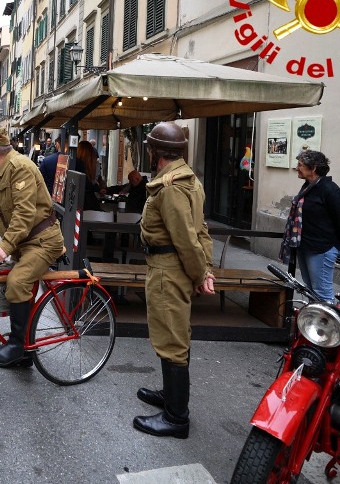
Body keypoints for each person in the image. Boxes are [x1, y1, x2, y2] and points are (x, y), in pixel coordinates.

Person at [133, 122, 215, 440]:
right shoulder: (187, 179)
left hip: (168, 269)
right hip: (176, 267)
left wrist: (200, 273)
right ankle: (170, 396)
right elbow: (201, 230)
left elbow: (186, 239)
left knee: (171, 340)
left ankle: (176, 417)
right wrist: (203, 270)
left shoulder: (170, 187)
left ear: (155, 153)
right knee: (176, 334)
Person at [0, 127, 64, 368]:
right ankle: (25, 351)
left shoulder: (21, 168)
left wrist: (5, 246)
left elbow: (24, 213)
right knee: (15, 283)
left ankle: (18, 345)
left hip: (43, 241)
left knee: (17, 281)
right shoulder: (0, 171)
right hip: (25, 242)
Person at [283, 149, 340, 303]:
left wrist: (338, 247)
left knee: (322, 294)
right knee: (310, 291)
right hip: (306, 246)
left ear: (313, 168)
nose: (297, 168)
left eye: (300, 165)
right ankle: (315, 325)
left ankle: (333, 325)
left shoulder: (329, 190)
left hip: (321, 249)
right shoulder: (308, 187)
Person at [75, 139, 106, 210]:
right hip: (90, 199)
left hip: (78, 199)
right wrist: (98, 188)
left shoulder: (75, 163)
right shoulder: (93, 164)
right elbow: (90, 181)